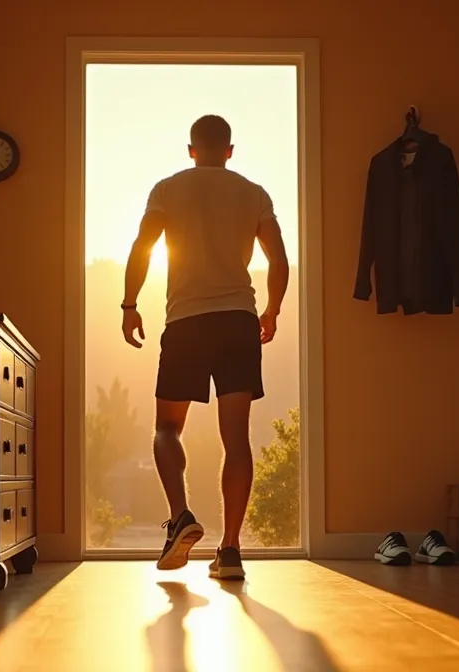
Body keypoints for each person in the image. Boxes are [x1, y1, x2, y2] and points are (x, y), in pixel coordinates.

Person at [120, 114, 289, 581]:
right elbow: (278, 258)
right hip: (238, 322)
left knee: (167, 428)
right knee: (236, 439)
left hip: (187, 322)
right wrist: (272, 309)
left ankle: (180, 517)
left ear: (191, 149)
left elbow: (142, 247)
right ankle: (230, 551)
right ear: (230, 150)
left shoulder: (168, 189)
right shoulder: (253, 192)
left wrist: (130, 303)